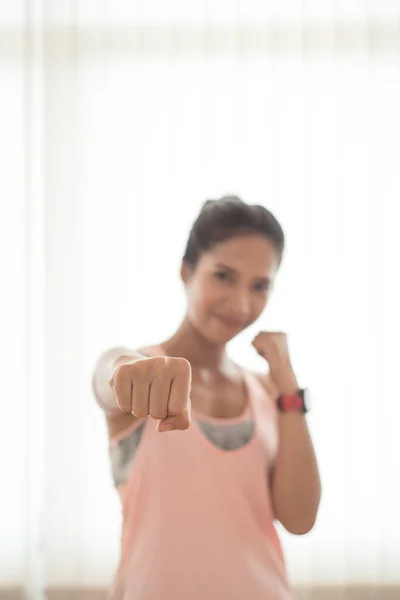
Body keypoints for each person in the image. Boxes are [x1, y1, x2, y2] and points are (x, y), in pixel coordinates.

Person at [92, 195, 321, 600]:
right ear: (187, 271)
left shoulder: (270, 392)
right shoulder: (143, 375)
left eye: (259, 285)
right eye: (223, 276)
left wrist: (288, 386)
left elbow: (300, 518)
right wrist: (121, 367)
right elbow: (109, 377)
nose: (241, 303)